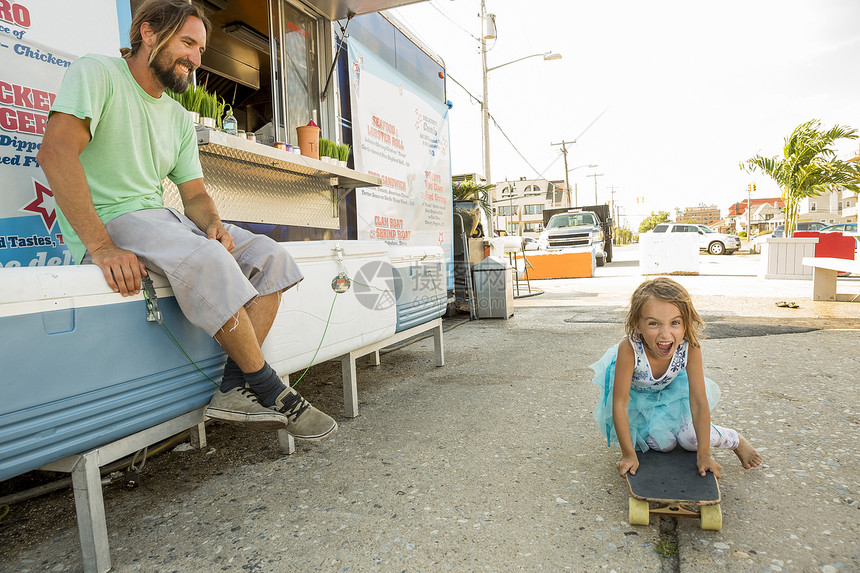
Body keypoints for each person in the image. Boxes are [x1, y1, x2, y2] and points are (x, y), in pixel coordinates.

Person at [36, 0, 336, 441]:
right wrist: (100, 247)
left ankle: (234, 388)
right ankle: (271, 389)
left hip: (165, 218)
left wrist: (213, 222)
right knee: (207, 258)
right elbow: (56, 152)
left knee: (271, 257)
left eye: (201, 49)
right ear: (148, 33)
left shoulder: (177, 116)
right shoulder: (97, 73)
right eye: (188, 43)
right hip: (115, 218)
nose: (196, 59)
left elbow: (194, 194)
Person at [590, 277, 761, 478]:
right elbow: (619, 404)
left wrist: (704, 455)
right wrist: (628, 454)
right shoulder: (629, 349)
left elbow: (698, 401)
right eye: (654, 323)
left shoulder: (690, 348)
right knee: (664, 444)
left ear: (686, 323)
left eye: (675, 323)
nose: (665, 333)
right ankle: (669, 438)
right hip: (638, 404)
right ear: (638, 325)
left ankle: (734, 439)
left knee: (690, 439)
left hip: (670, 397)